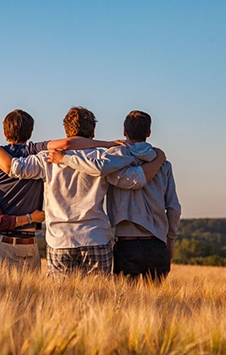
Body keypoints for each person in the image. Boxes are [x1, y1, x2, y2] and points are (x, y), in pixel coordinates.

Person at [0, 107, 166, 277]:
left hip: (60, 240)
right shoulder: (104, 158)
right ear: (92, 133)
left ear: (66, 131)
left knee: (60, 302)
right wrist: (158, 159)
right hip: (96, 238)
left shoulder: (46, 158)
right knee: (99, 303)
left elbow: (14, 168)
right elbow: (134, 180)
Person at [0, 109, 121, 269]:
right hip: (27, 243)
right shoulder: (35, 151)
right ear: (31, 132)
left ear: (4, 132)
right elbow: (67, 145)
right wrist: (107, 144)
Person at [49, 110, 181, 281]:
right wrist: (170, 242)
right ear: (149, 133)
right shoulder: (163, 165)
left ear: (124, 132)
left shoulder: (113, 160)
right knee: (157, 305)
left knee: (125, 304)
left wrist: (65, 158)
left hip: (126, 244)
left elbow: (97, 168)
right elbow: (173, 208)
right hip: (157, 244)